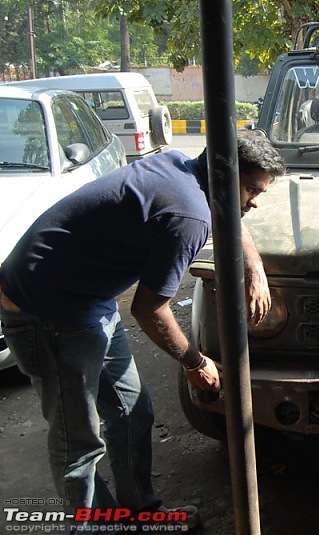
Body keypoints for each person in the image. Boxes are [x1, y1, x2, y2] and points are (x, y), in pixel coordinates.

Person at [0, 133, 286, 531]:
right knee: (79, 442)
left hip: (91, 297)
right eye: (252, 189)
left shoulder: (185, 169)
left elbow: (233, 214)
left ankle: (139, 513)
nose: (255, 201)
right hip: (47, 309)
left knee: (131, 411)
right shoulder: (188, 214)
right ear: (224, 175)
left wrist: (253, 267)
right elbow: (148, 309)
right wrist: (194, 361)